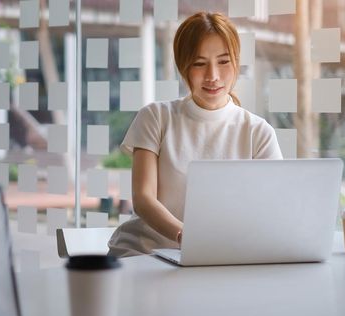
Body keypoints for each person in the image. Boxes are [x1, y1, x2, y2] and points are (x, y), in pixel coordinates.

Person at [107, 12, 283, 257]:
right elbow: (143, 198)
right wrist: (186, 236)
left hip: (216, 258)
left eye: (223, 61)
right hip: (145, 254)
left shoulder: (258, 132)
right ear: (184, 67)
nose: (213, 75)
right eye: (199, 64)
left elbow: (271, 208)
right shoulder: (156, 117)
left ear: (236, 61)